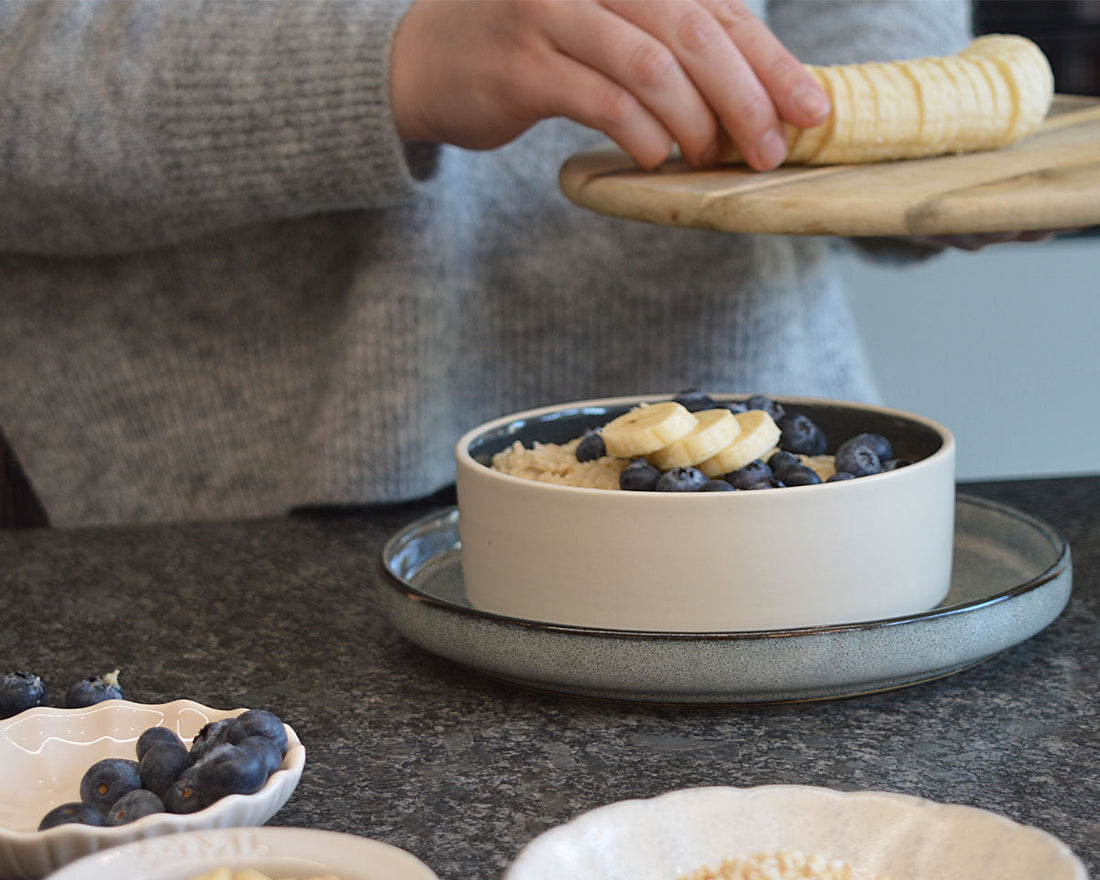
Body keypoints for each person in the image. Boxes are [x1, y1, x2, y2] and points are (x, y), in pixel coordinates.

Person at [0, 0, 1043, 527]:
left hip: (767, 484)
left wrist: (894, 160)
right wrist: (394, 58)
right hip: (223, 528)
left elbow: (849, 35)